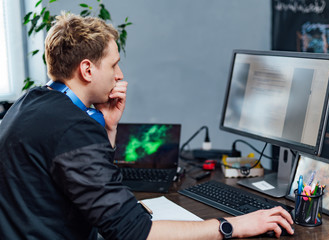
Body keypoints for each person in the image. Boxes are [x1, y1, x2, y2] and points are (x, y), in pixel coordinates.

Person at [0, 13, 294, 240]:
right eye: (113, 65)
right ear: (87, 69)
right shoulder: (71, 128)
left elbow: (82, 182)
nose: (120, 74)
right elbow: (134, 232)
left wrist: (109, 129)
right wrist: (232, 226)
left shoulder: (31, 102)